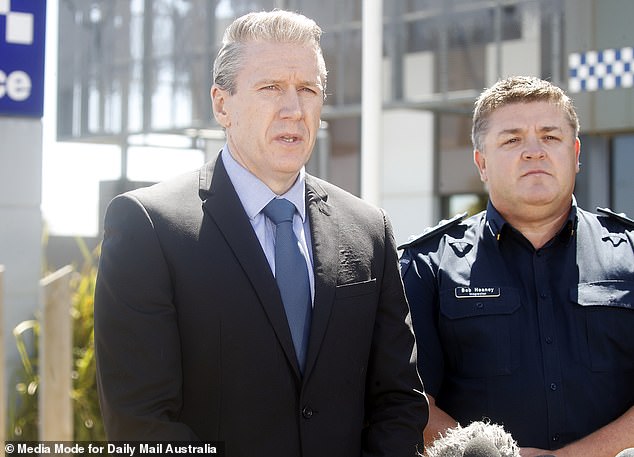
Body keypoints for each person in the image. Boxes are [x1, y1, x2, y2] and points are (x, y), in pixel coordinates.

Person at [94, 9, 427, 457]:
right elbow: (139, 421)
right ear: (221, 104)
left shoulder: (369, 230)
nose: (293, 108)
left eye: (307, 89)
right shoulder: (149, 227)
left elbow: (399, 401)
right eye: (270, 87)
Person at [399, 76, 634, 457]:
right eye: (512, 139)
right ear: (482, 163)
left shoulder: (631, 253)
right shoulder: (428, 266)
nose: (534, 151)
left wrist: (580, 455)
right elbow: (406, 399)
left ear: (575, 153)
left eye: (550, 137)